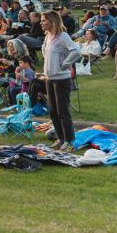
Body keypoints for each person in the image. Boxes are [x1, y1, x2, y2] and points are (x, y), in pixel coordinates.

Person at [39, 11, 78, 149]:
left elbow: (76, 51)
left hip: (62, 79)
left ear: (52, 21)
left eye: (44, 20)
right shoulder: (48, 36)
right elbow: (45, 53)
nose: (41, 23)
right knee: (53, 112)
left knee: (63, 111)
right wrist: (49, 68)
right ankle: (61, 139)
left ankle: (70, 141)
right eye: (41, 20)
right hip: (50, 78)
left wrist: (65, 63)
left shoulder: (63, 36)